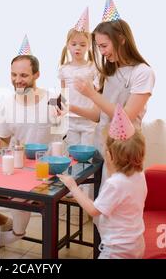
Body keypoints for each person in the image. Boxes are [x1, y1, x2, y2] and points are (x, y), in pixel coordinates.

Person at [69, 0, 155, 189]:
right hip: (103, 147)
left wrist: (92, 94)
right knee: (102, 204)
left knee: (119, 206)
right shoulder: (109, 72)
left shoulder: (143, 73)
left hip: (125, 150)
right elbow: (99, 116)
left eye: (104, 46)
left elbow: (125, 117)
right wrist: (69, 107)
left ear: (122, 40)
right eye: (99, 47)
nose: (102, 52)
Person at [0, 35, 63, 246]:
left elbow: (66, 135)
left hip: (49, 165)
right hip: (19, 164)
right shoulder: (5, 104)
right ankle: (15, 229)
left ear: (37, 74)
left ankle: (16, 233)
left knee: (23, 194)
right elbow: (3, 140)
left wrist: (62, 118)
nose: (17, 80)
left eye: (23, 75)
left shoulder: (54, 99)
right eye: (13, 75)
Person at [58, 104, 147, 259]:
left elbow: (93, 210)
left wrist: (73, 186)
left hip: (117, 250)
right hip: (136, 244)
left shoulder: (115, 184)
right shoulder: (139, 175)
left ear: (109, 156)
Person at [58, 7, 97, 146]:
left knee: (88, 154)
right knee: (73, 154)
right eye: (74, 44)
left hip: (88, 119)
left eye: (82, 44)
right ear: (68, 46)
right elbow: (63, 93)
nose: (77, 48)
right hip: (70, 119)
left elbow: (97, 94)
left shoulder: (92, 67)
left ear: (89, 47)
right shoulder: (64, 69)